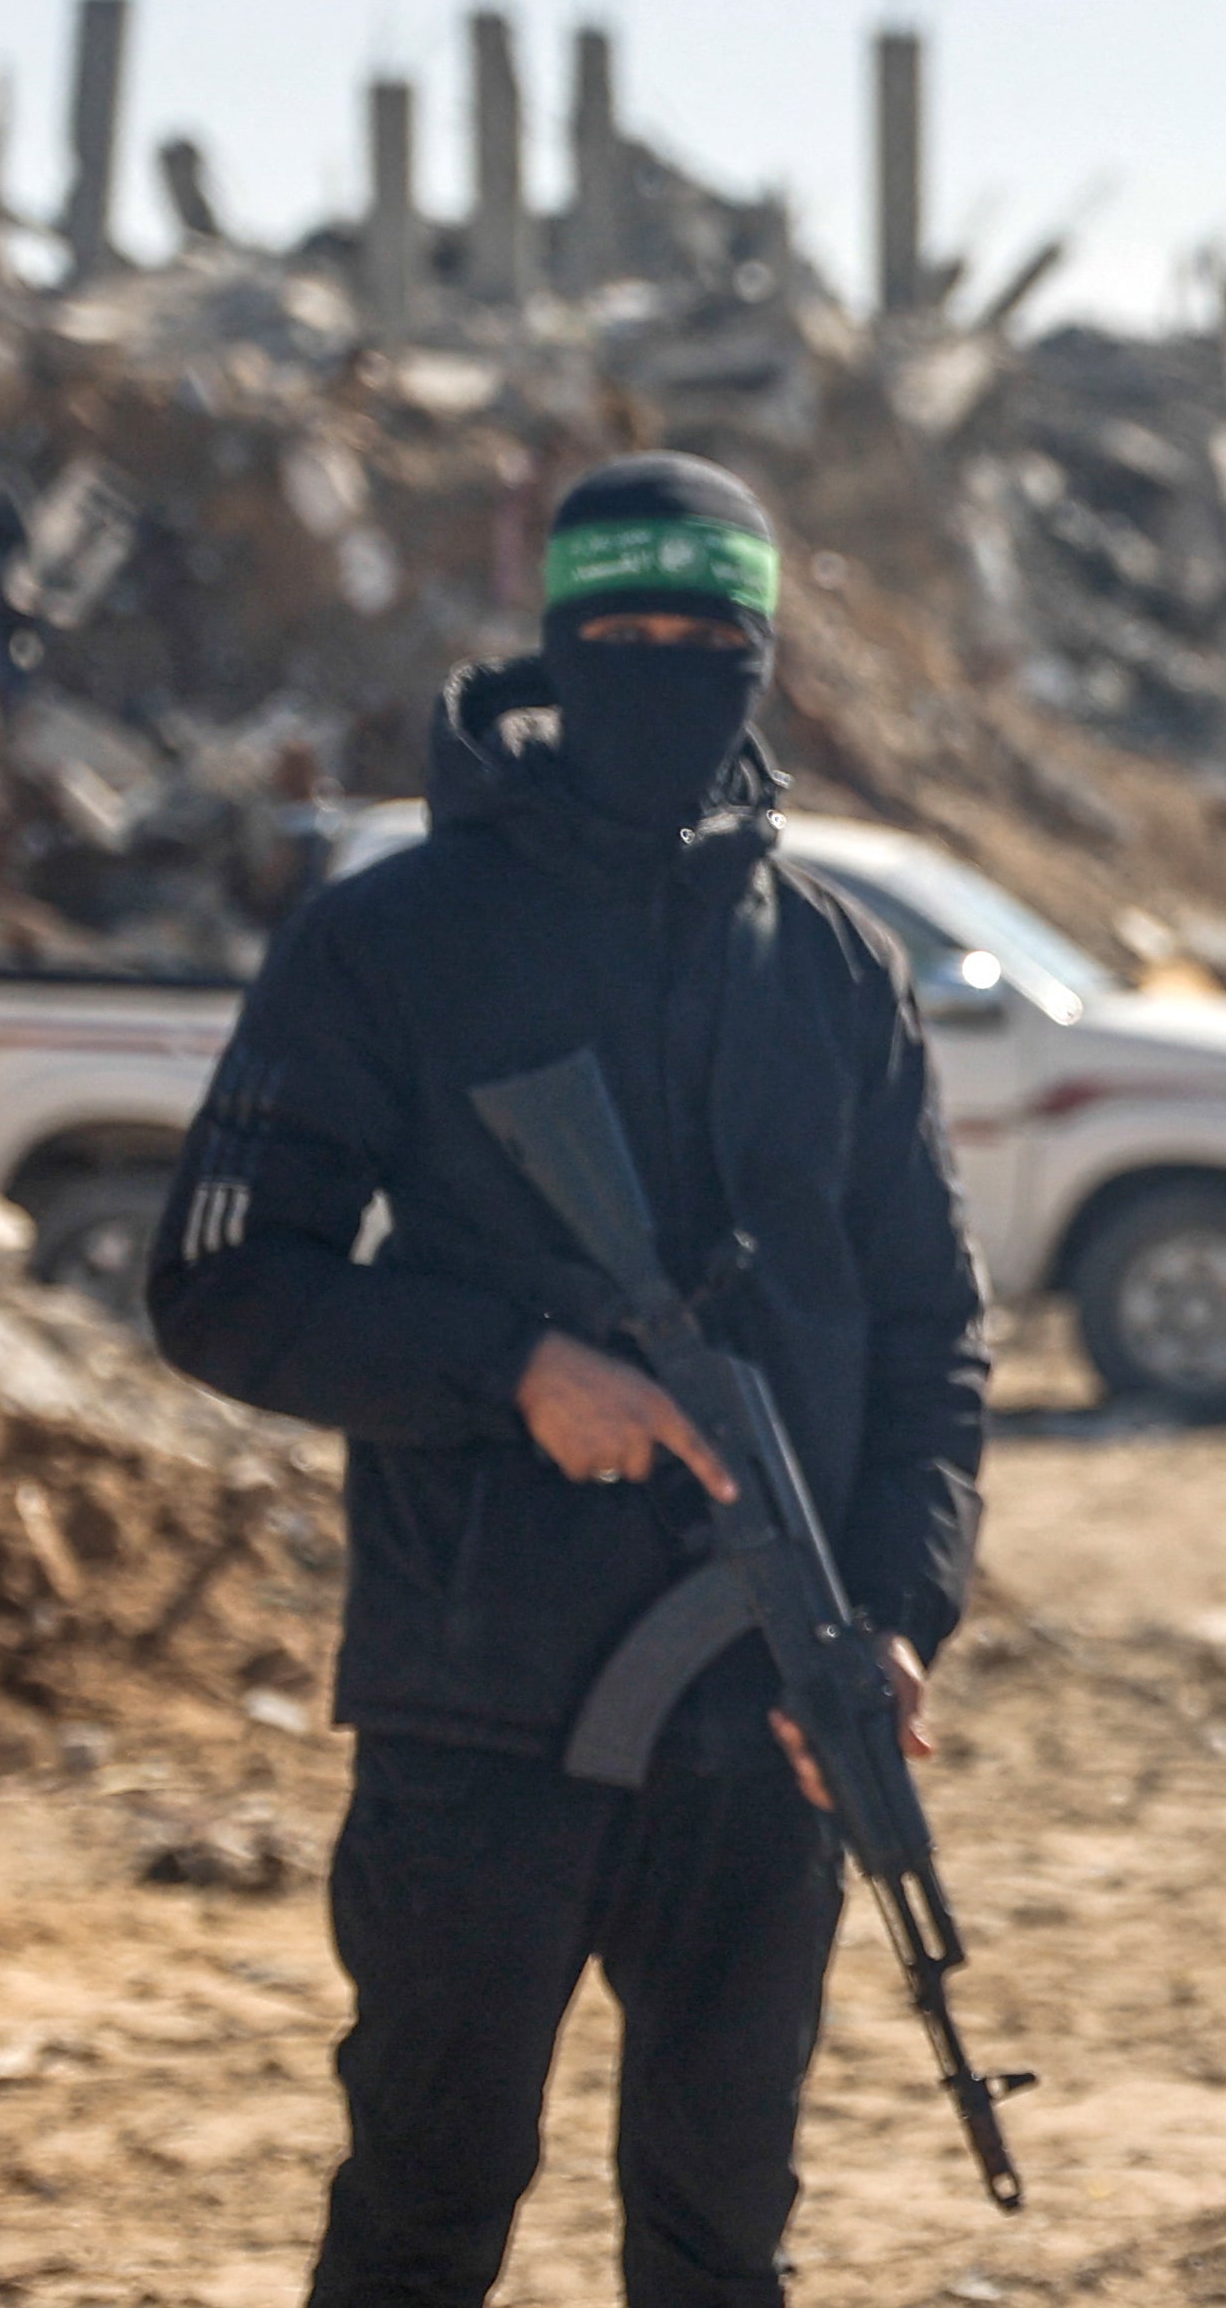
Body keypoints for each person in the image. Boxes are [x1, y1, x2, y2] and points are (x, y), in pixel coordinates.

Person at [148, 452, 991, 2308]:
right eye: (630, 634)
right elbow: (217, 1281)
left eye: (713, 641)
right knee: (427, 2208)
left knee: (719, 2233)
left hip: (767, 1717)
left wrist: (896, 1615)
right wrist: (509, 1367)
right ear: (555, 650)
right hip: (479, 1704)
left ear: (763, 664)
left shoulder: (837, 972)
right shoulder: (395, 937)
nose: (672, 672)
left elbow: (931, 1334)